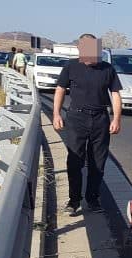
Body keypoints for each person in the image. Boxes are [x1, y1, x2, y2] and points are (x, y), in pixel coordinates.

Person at [53, 33, 122, 215]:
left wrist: (116, 118)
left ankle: (93, 198)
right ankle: (74, 200)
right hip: (77, 118)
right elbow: (60, 89)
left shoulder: (107, 69)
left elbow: (115, 94)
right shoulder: (71, 66)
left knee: (97, 162)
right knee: (75, 160)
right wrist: (56, 114)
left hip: (100, 119)